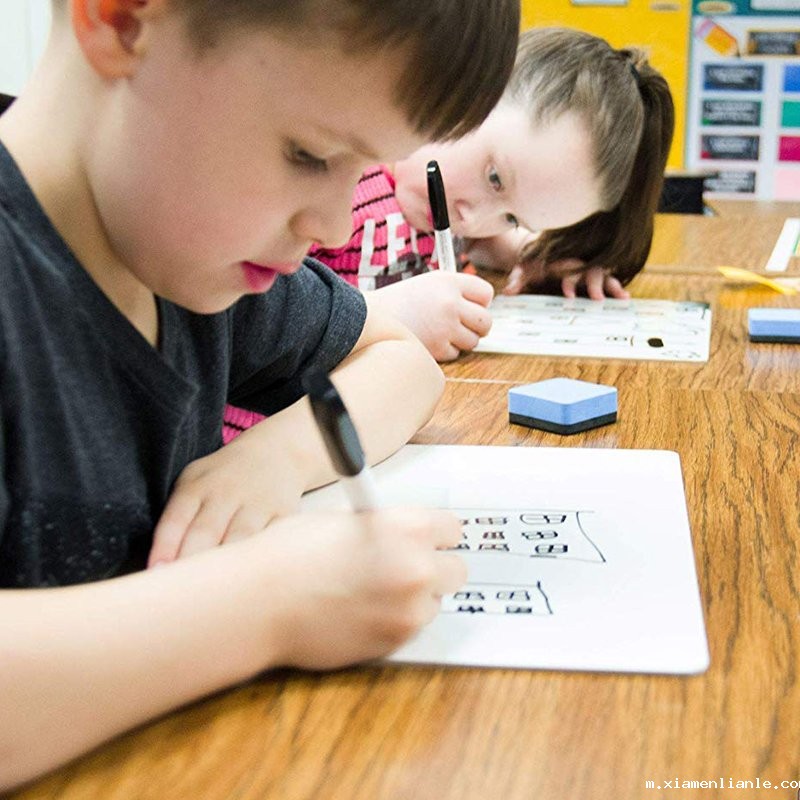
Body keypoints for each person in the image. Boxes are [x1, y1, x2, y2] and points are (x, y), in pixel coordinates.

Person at [0, 0, 519, 788]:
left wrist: (274, 459)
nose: (337, 226)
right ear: (124, 20)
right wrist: (270, 603)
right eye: (310, 155)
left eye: (365, 171)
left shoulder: (182, 257)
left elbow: (402, 360)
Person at [311, 27, 676, 361]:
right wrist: (382, 316)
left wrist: (546, 262)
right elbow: (277, 309)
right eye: (495, 178)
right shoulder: (337, 183)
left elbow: (483, 244)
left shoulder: (453, 219)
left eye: (512, 218)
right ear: (462, 91)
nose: (472, 219)